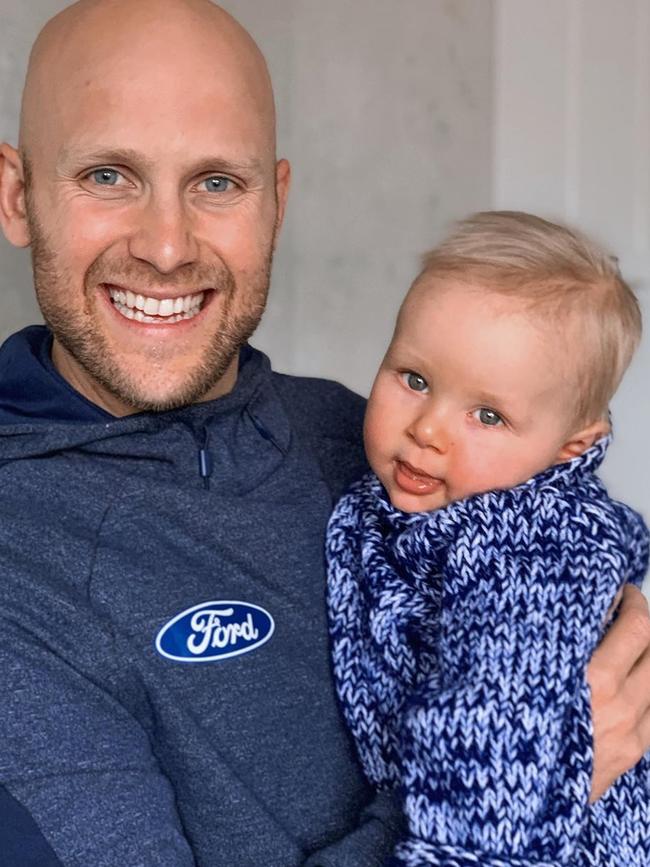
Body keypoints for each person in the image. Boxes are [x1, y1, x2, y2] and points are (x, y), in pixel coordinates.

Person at [0, 1, 647, 863]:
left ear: (277, 199)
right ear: (16, 196)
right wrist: (536, 778)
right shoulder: (21, 553)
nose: (165, 246)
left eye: (217, 182)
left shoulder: (366, 439)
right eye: (109, 176)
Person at [327, 211, 650, 865]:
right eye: (414, 379)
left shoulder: (534, 551)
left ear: (571, 446)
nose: (428, 428)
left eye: (488, 415)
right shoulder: (410, 505)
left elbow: (492, 739)